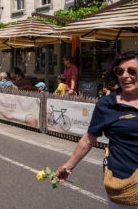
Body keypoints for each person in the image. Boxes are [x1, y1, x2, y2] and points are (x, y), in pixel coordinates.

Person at [55, 51, 138, 207]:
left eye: (132, 71)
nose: (124, 75)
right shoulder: (107, 104)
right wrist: (68, 166)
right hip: (124, 182)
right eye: (120, 71)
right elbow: (88, 139)